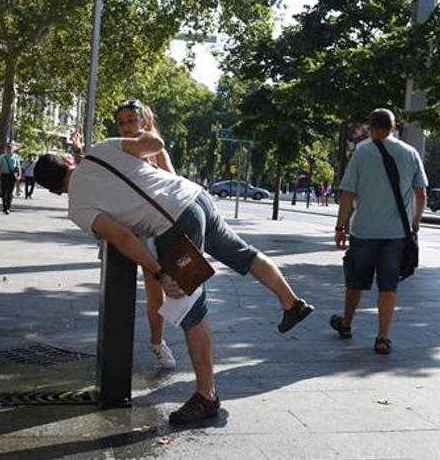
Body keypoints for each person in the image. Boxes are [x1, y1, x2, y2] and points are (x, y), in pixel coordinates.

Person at [33, 111, 314, 425]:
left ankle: (207, 396)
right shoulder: (101, 149)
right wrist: (148, 131)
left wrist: (159, 272)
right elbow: (154, 144)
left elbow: (124, 238)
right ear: (69, 162)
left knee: (190, 311)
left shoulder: (78, 207)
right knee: (244, 254)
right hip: (196, 197)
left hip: (173, 225)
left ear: (55, 191)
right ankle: (291, 303)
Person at [71, 100, 176, 369]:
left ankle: (157, 342)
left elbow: (173, 184)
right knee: (117, 290)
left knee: (156, 293)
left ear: (144, 121)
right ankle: (114, 351)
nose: (127, 127)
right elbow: (93, 173)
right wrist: (78, 153)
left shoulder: (154, 150)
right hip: (121, 232)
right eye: (122, 123)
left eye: (132, 120)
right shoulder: (116, 147)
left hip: (148, 231)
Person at [331, 108, 427, 355]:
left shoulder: (362, 152)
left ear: (371, 128)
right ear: (394, 127)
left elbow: (348, 194)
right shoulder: (410, 153)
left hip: (364, 231)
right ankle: (383, 337)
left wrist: (340, 226)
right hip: (396, 234)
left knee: (355, 280)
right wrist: (415, 221)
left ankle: (347, 324)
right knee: (389, 285)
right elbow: (421, 193)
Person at [0, 141, 21, 214]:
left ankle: (8, 207)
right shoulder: (2, 156)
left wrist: (19, 176)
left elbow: (18, 167)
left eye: (11, 147)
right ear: (6, 148)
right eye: (8, 147)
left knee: (10, 192)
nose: (10, 149)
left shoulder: (16, 156)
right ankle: (4, 207)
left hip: (12, 176)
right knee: (4, 192)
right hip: (4, 175)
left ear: (13, 148)